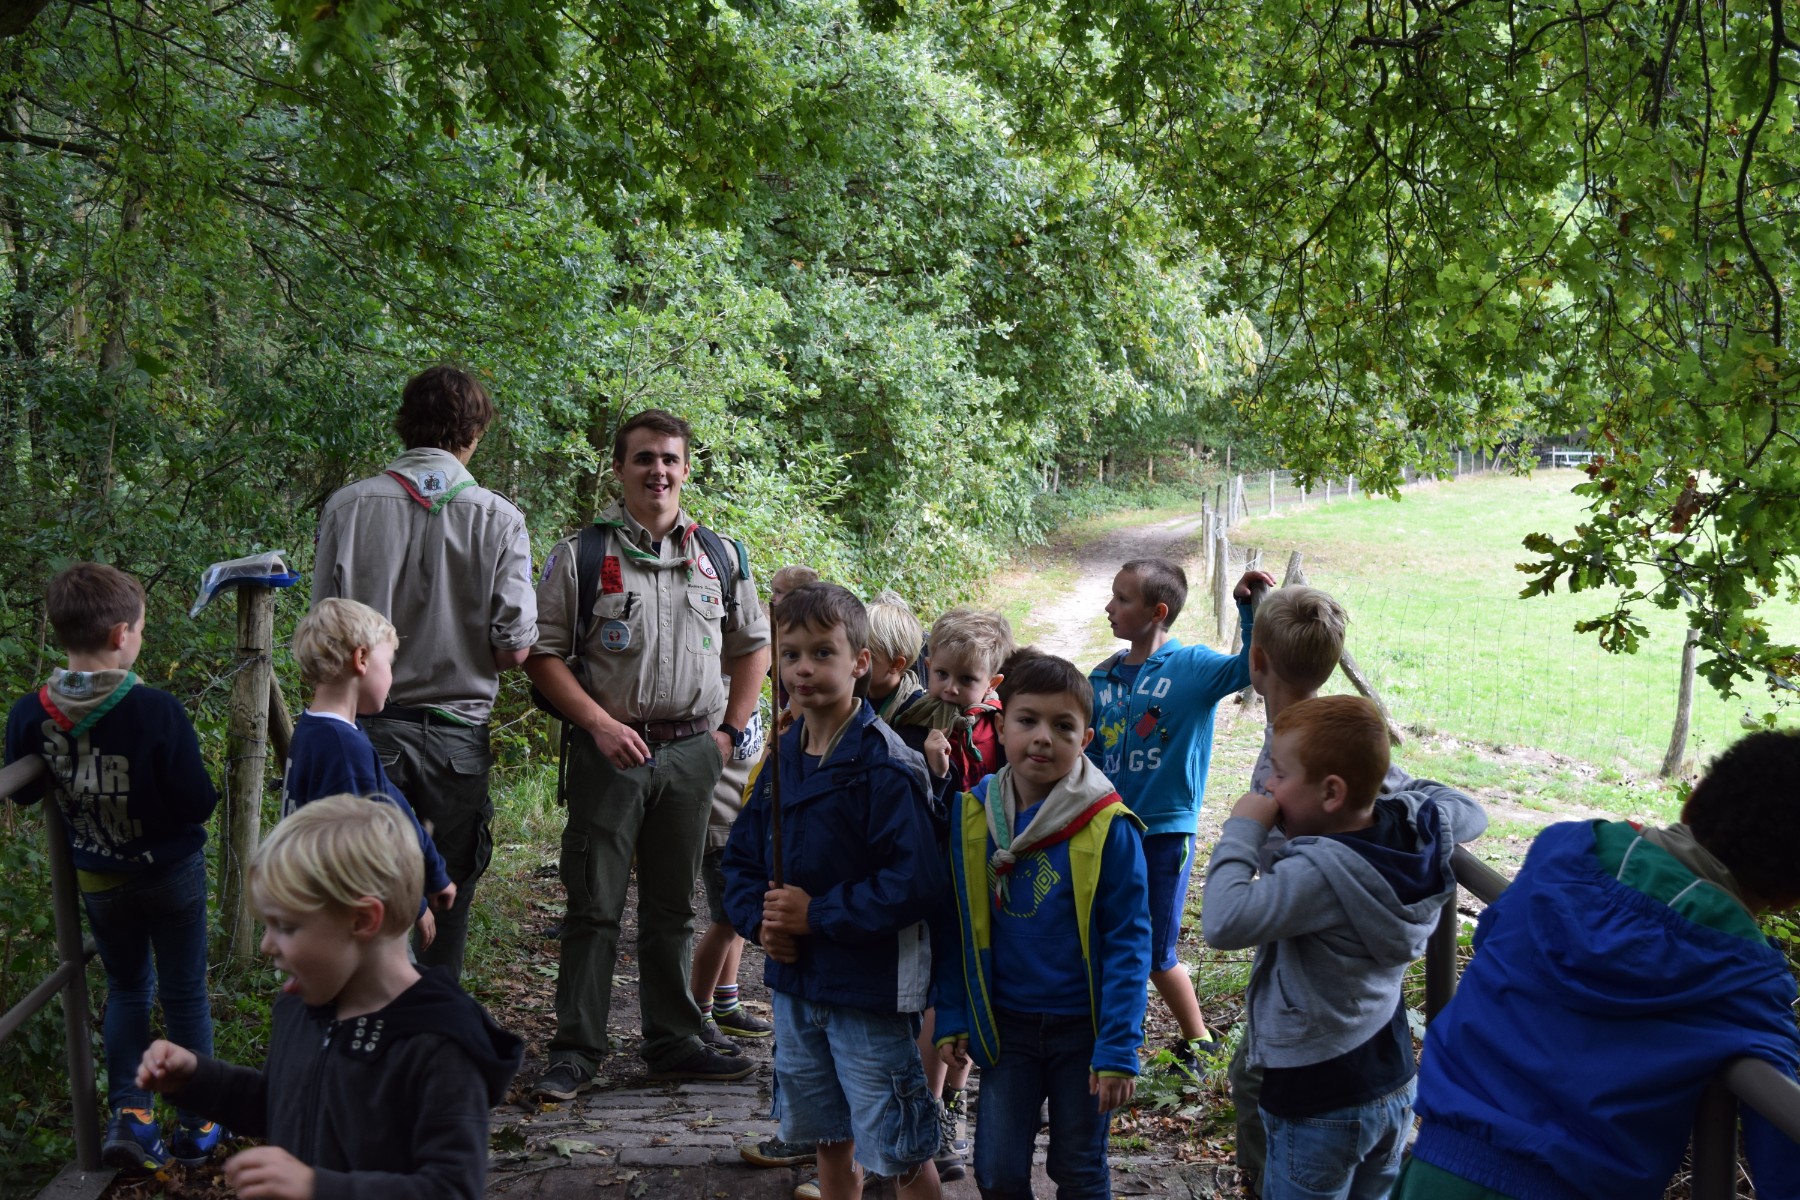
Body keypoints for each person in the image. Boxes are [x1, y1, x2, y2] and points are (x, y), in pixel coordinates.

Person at [1396, 730, 1800, 1200]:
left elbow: (1491, 937)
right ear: (1791, 896)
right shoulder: (1751, 981)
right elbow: (1785, 1158)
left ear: (1693, 800)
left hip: (1438, 1172)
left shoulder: (1565, 851)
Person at [526, 408, 771, 1094]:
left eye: (669, 459)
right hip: (609, 754)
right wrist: (599, 725)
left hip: (694, 752)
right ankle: (577, 1047)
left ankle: (673, 1037)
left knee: (674, 907)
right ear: (620, 469)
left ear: (686, 469)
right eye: (643, 459)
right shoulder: (581, 554)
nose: (657, 471)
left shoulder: (720, 555)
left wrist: (728, 732)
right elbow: (542, 657)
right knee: (594, 904)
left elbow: (752, 647)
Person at [137, 794, 523, 1200]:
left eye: (285, 926)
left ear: (362, 919)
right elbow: (281, 1105)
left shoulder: (440, 1043)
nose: (267, 944)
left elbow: (453, 1189)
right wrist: (197, 1079)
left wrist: (318, 1188)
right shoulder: (302, 1007)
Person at [1201, 695, 1486, 1200]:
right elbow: (1468, 811)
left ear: (1332, 791)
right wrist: (1378, 786)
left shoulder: (1317, 875)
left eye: (1281, 775)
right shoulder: (1412, 827)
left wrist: (1243, 829)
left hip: (1318, 1100)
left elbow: (1224, 922)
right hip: (1392, 1082)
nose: (1268, 785)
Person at [312, 364, 538, 981]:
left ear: (405, 423)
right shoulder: (498, 518)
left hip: (366, 736)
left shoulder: (349, 507)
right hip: (456, 739)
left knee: (365, 902)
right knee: (448, 898)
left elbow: (325, 634)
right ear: (475, 433)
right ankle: (435, 1043)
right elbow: (516, 647)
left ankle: (366, 1043)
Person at [722, 583, 947, 1200]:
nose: (804, 668)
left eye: (823, 653)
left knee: (899, 1148)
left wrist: (817, 915)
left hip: (867, 992)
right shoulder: (782, 759)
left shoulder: (887, 767)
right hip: (796, 990)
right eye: (790, 653)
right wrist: (761, 925)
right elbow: (741, 863)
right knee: (827, 1135)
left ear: (861, 663)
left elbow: (915, 885)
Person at [3, 563, 222, 1172]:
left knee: (126, 989)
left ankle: (132, 1117)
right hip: (170, 874)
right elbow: (198, 801)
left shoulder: (30, 712)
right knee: (183, 993)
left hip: (99, 878)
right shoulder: (156, 710)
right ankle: (199, 1119)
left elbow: (22, 794)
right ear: (121, 633)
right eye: (143, 630)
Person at [934, 650, 1152, 1200]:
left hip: (1085, 1031)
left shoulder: (1108, 826)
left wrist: (1119, 1048)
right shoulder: (974, 816)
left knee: (1079, 1169)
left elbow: (1130, 942)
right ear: (1000, 724)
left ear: (1086, 738)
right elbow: (957, 924)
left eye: (1063, 726)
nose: (1042, 738)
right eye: (1027, 720)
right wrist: (955, 1012)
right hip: (1007, 1028)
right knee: (998, 1170)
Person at [1088, 558, 1273, 1067]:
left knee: (1153, 948)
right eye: (1113, 595)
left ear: (1157, 611)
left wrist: (1247, 609)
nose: (1110, 607)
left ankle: (1199, 1043)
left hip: (1166, 831)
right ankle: (1111, 1037)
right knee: (1107, 936)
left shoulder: (1191, 668)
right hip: (1109, 830)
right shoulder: (1100, 679)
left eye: (1122, 599)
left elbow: (1249, 669)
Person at [280, 598, 456, 941]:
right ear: (361, 659)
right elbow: (369, 851)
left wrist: (434, 871)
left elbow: (393, 807)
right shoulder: (344, 750)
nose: (392, 676)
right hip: (347, 925)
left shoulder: (322, 729)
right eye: (388, 664)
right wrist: (413, 905)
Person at [690, 684, 770, 1054]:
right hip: (720, 825)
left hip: (743, 823)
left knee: (738, 916)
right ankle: (698, 1011)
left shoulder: (746, 686)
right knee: (726, 921)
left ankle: (725, 1001)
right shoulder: (710, 689)